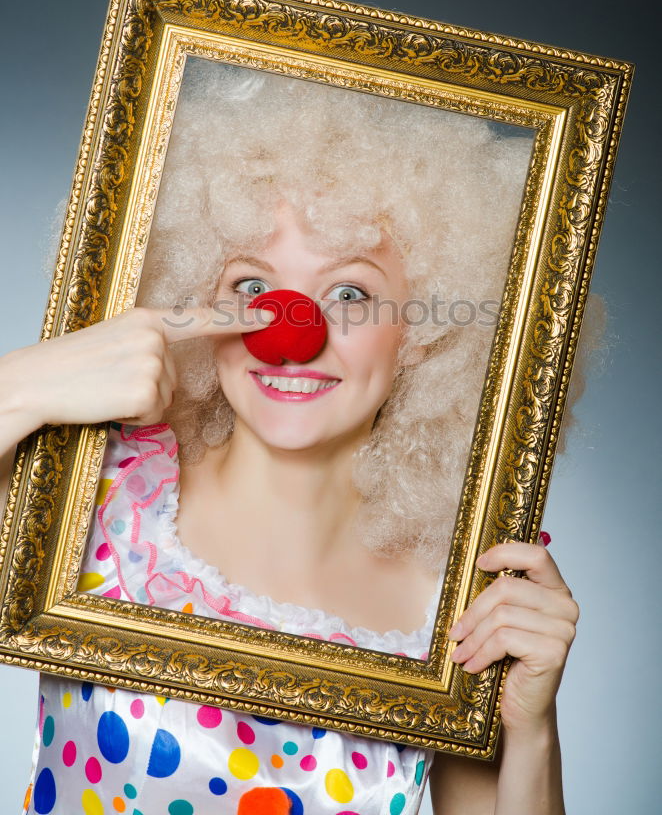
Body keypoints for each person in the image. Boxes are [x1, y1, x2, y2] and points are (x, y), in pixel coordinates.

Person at [0, 61, 592, 813]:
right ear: (191, 295)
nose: (290, 333)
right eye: (252, 286)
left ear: (426, 332)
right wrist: (14, 388)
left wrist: (531, 732)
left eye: (350, 293)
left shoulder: (459, 599)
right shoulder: (95, 490)